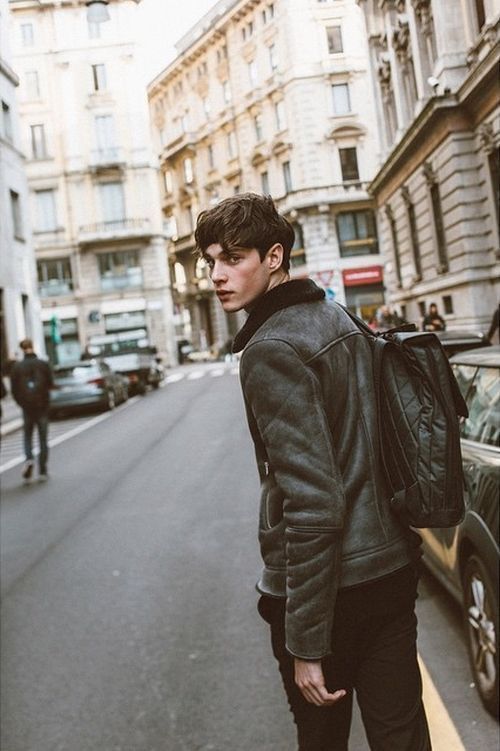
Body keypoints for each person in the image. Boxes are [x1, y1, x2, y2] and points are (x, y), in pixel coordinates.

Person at [195, 193, 431, 751]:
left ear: (274, 257)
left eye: (233, 258)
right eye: (210, 262)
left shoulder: (270, 348)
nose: (217, 275)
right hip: (390, 569)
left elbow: (314, 501)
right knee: (403, 737)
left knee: (323, 740)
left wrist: (305, 642)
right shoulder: (339, 318)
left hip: (332, 594)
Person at [10, 339, 54, 481]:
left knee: (28, 436)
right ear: (32, 347)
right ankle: (42, 470)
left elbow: (14, 389)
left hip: (27, 407)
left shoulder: (17, 367)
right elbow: (50, 384)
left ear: (22, 349)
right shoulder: (43, 364)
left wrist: (21, 403)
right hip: (42, 406)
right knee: (42, 439)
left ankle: (29, 458)